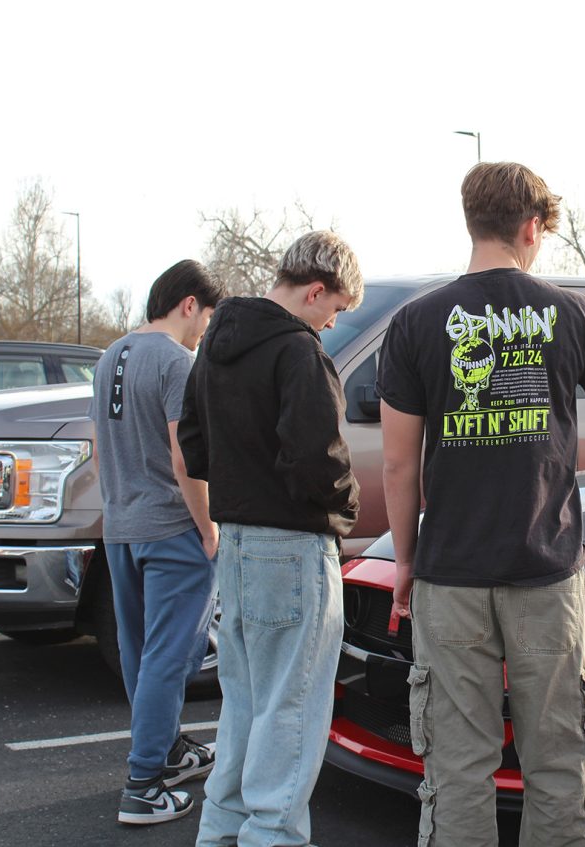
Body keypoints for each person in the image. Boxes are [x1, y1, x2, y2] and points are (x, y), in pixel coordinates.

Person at [378, 162, 585, 847]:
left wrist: (405, 562)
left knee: (458, 763)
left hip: (450, 575)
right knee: (557, 758)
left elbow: (396, 461)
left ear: (472, 223)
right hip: (547, 573)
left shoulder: (413, 324)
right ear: (530, 228)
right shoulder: (571, 313)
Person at [180, 231, 363, 847]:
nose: (332, 323)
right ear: (315, 291)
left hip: (233, 544)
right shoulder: (298, 352)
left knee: (245, 704)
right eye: (335, 310)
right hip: (291, 548)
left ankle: (220, 832)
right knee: (294, 709)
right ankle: (270, 837)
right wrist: (348, 503)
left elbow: (193, 443)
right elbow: (316, 459)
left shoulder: (216, 344)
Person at [89, 259, 225, 825]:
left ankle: (167, 752)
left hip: (120, 527)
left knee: (140, 651)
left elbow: (99, 451)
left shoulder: (108, 357)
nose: (205, 332)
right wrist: (209, 528)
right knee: (170, 657)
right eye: (207, 318)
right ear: (189, 303)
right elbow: (185, 455)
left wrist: (122, 506)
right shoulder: (176, 361)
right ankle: (143, 784)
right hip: (171, 528)